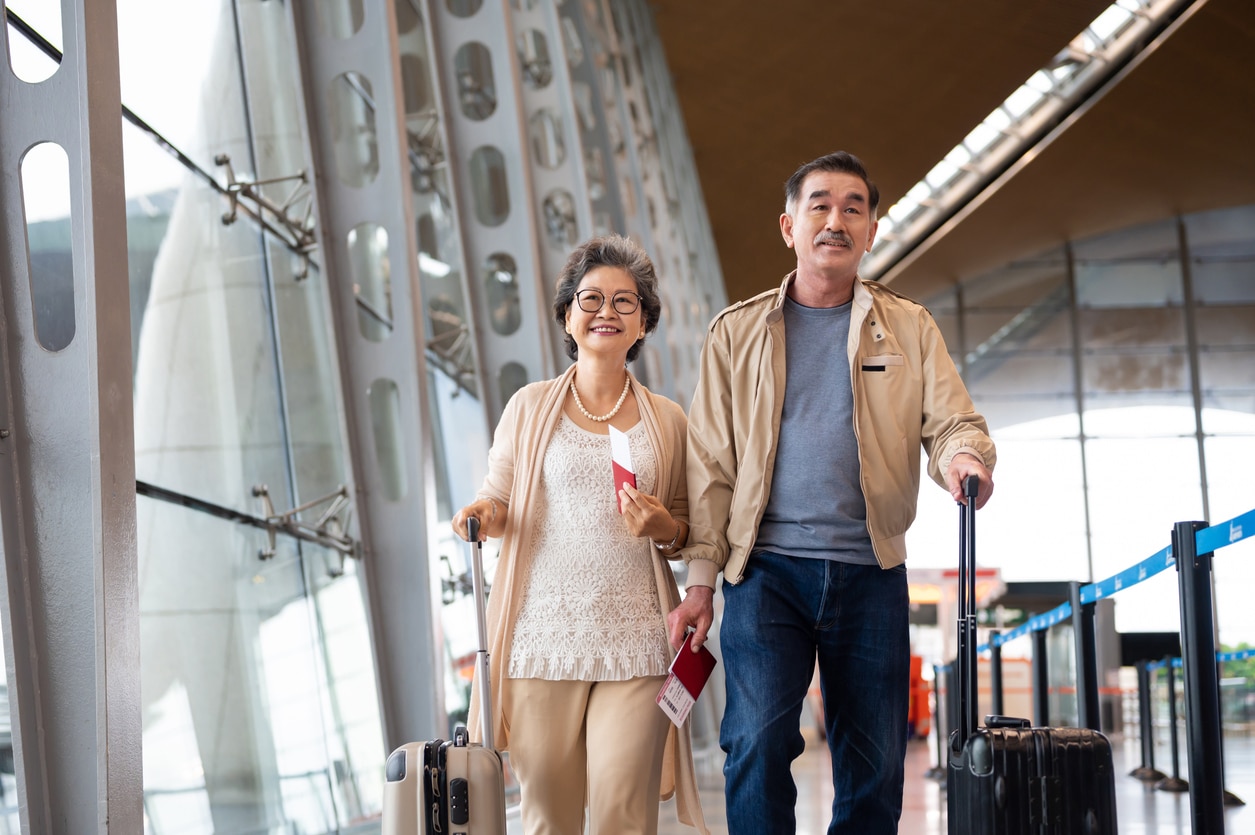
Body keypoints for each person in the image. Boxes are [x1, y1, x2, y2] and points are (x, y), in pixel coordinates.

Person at [668, 151, 996, 834]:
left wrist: (963, 457)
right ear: (788, 225)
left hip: (868, 569)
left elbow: (950, 418)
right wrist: (699, 580)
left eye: (853, 207)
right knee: (754, 740)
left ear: (871, 231)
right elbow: (710, 465)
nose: (835, 220)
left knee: (873, 764)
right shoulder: (736, 332)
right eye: (819, 204)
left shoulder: (907, 327)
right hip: (763, 570)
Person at [453, 234, 708, 835]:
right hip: (542, 637)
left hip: (636, 639)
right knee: (549, 815)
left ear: (644, 324)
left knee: (623, 811)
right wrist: (482, 515)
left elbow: (689, 528)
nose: (606, 313)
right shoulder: (529, 406)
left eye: (625, 302)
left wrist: (662, 525)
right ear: (568, 316)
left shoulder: (667, 419)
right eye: (591, 300)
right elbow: (499, 496)